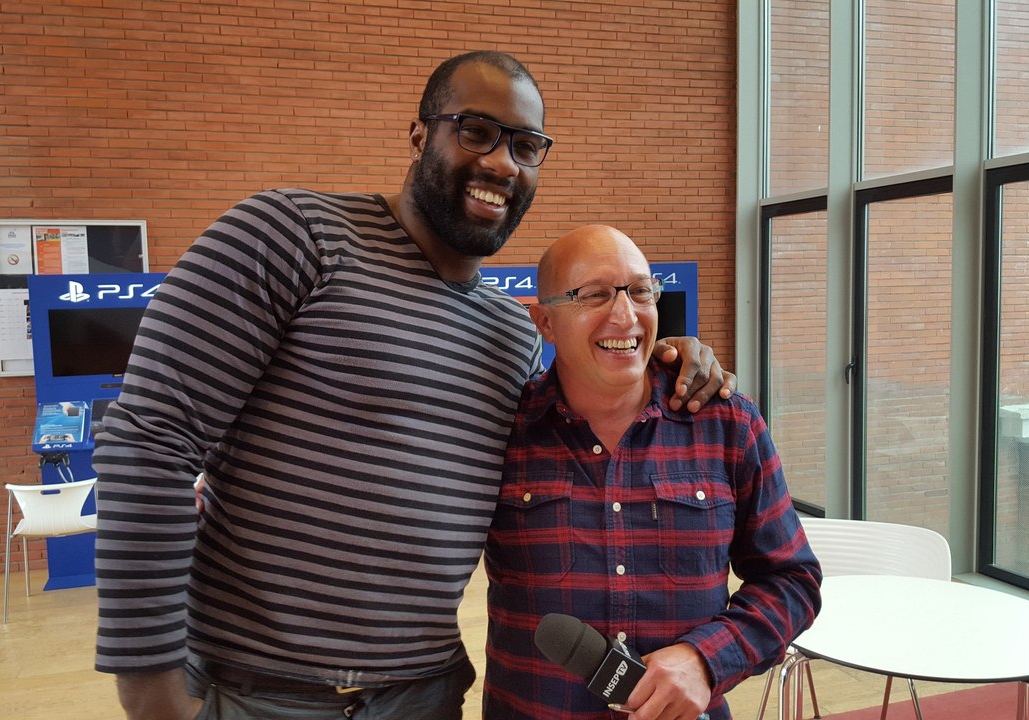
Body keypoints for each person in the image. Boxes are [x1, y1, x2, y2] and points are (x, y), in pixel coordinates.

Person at [92, 51, 733, 720]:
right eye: (475, 130)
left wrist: (666, 364)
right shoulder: (294, 236)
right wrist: (153, 694)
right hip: (257, 693)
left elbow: (584, 444)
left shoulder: (513, 338)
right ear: (421, 134)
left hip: (422, 699)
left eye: (525, 145)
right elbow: (150, 442)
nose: (500, 163)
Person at [482, 225, 821, 720]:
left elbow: (791, 579)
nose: (625, 315)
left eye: (640, 291)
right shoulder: (500, 431)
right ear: (545, 322)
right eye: (593, 295)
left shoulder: (727, 424)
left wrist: (706, 660)